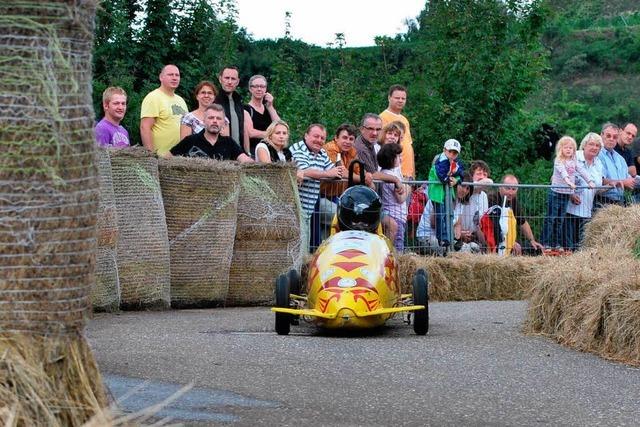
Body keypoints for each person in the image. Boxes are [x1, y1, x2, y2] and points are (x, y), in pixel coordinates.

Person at [290, 124, 346, 253]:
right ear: (306, 136)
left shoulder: (321, 152)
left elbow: (334, 171)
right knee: (297, 250)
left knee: (304, 249)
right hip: (295, 208)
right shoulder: (299, 149)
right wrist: (328, 174)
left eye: (322, 138)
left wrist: (336, 171)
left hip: (308, 208)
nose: (319, 140)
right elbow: (305, 171)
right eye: (316, 136)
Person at [541, 136, 595, 250]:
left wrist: (589, 181)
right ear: (560, 149)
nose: (569, 150)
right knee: (551, 218)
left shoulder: (574, 161)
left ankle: (556, 243)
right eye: (566, 147)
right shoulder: (558, 160)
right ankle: (546, 242)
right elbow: (563, 172)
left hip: (565, 195)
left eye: (571, 148)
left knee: (560, 219)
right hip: (556, 193)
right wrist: (569, 182)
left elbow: (582, 170)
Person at [169, 104, 253, 163]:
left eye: (219, 118)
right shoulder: (190, 140)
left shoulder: (229, 142)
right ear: (204, 121)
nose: (215, 121)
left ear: (224, 123)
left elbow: (244, 159)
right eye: (211, 118)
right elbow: (167, 157)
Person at [319, 124, 360, 238]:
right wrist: (363, 178)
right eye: (345, 137)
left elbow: (359, 171)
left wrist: (367, 177)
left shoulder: (351, 151)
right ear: (336, 138)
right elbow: (342, 172)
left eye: (351, 139)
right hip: (321, 196)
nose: (348, 141)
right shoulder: (331, 148)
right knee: (343, 217)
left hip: (337, 198)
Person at [564, 132, 604, 250]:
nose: (594, 148)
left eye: (597, 146)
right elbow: (556, 178)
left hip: (587, 211)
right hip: (570, 210)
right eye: (591, 144)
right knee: (569, 246)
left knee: (581, 247)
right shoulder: (574, 156)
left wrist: (611, 186)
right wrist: (571, 194)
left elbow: (597, 186)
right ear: (584, 145)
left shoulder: (598, 163)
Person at [487, 175, 544, 255]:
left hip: (509, 241)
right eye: (507, 188)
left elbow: (522, 222)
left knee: (535, 249)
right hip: (493, 241)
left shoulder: (513, 201)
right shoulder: (491, 199)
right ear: (500, 187)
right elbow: (494, 227)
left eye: (514, 189)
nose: (510, 192)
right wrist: (509, 243)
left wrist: (532, 240)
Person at [140, 64, 188, 156]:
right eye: (170, 75)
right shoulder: (153, 97)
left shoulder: (181, 100)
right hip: (161, 158)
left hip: (180, 158)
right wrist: (151, 156)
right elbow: (145, 128)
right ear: (161, 77)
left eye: (177, 75)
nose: (174, 78)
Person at [427, 139, 465, 249]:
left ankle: (449, 237)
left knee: (449, 215)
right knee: (440, 215)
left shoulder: (456, 162)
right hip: (437, 193)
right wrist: (450, 179)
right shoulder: (441, 161)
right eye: (450, 152)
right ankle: (442, 238)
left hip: (447, 193)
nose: (452, 155)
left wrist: (456, 180)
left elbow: (461, 173)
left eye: (455, 153)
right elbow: (441, 176)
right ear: (444, 150)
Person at [354, 113, 405, 191]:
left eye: (378, 129)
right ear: (362, 129)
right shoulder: (361, 147)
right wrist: (396, 180)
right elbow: (374, 174)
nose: (375, 133)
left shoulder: (370, 143)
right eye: (370, 129)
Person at [377, 143, 410, 251]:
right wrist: (408, 186)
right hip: (396, 215)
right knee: (398, 247)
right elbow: (401, 198)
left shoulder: (386, 172)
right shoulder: (392, 176)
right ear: (391, 159)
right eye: (397, 156)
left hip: (394, 214)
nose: (400, 158)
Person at [379, 84, 415, 179]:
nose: (400, 100)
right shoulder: (382, 118)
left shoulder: (405, 120)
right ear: (389, 98)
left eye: (403, 98)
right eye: (397, 98)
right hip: (393, 173)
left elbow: (409, 147)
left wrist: (413, 174)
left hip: (408, 174)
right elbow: (382, 146)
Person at [214, 66, 251, 153]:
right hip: (220, 153)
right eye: (227, 78)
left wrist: (247, 152)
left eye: (233, 79)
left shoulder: (239, 102)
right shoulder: (214, 101)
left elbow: (243, 130)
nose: (230, 82)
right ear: (220, 79)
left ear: (237, 82)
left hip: (239, 152)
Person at [597, 122, 634, 206]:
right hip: (601, 202)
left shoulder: (621, 159)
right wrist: (623, 182)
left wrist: (631, 182)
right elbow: (600, 180)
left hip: (619, 203)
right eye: (608, 136)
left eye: (615, 137)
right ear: (601, 135)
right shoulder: (597, 155)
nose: (611, 139)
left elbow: (628, 180)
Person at [244, 75, 281, 157]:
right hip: (254, 151)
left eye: (262, 86)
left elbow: (280, 126)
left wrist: (270, 106)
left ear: (266, 89)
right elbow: (251, 132)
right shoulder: (246, 109)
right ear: (250, 89)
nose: (259, 89)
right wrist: (273, 135)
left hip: (271, 150)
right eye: (256, 86)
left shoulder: (269, 109)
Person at [453, 172, 486, 253]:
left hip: (450, 239)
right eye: (463, 186)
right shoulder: (443, 198)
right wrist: (459, 235)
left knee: (475, 247)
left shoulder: (460, 203)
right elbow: (435, 224)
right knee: (469, 250)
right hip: (432, 237)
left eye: (468, 188)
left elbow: (458, 224)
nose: (465, 190)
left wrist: (462, 236)